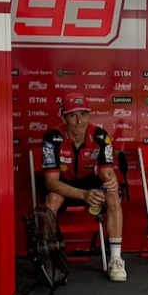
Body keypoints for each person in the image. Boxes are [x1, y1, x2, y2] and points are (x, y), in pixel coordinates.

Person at [40, 94, 126, 283]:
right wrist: (83, 195)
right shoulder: (52, 137)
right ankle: (49, 260)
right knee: (52, 199)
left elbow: (107, 173)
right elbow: (51, 182)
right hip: (62, 185)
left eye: (83, 114)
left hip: (88, 182)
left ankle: (116, 259)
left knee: (113, 194)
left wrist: (111, 181)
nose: (79, 121)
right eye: (73, 115)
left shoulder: (100, 136)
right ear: (63, 117)